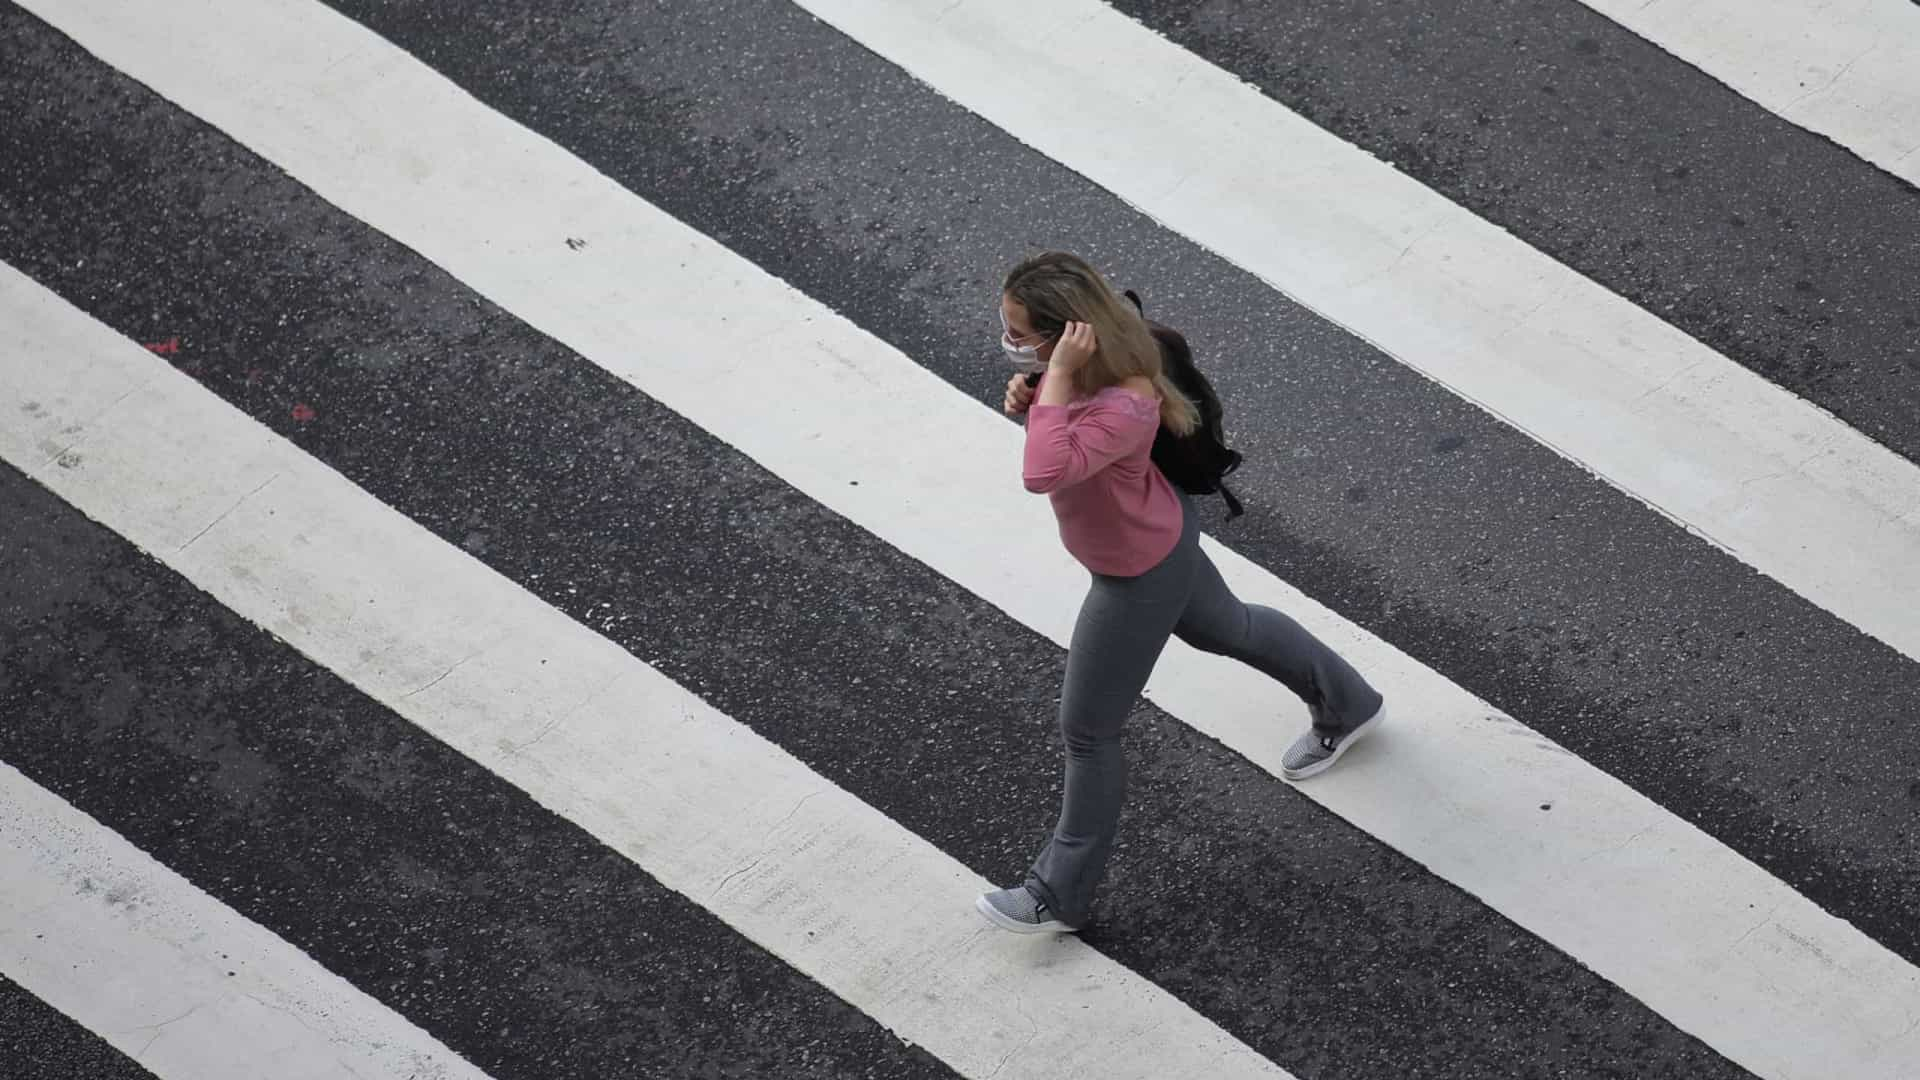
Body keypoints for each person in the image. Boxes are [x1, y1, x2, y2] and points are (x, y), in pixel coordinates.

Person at [975, 252, 1387, 935]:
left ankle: (1057, 895)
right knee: (1229, 628)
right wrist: (1040, 390)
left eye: (1020, 332)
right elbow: (1065, 437)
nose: (1010, 340)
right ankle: (1350, 704)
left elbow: (1045, 471)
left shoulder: (1127, 401)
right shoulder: (1095, 360)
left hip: (1135, 572)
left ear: (1068, 334)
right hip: (1159, 534)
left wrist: (1050, 392)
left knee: (1088, 732)